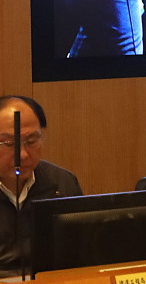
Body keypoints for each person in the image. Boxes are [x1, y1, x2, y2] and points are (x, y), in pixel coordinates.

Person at [0, 96, 82, 276]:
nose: (22, 154)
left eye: (31, 141)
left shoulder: (62, 182)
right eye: (9, 144)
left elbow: (80, 254)